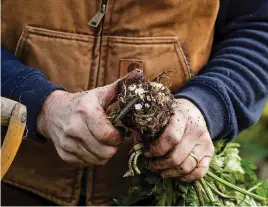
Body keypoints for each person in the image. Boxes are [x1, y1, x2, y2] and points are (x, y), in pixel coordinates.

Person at [1, 0, 268, 205]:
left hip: (157, 190)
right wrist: (39, 102)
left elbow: (258, 26)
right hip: (12, 178)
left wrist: (207, 104)